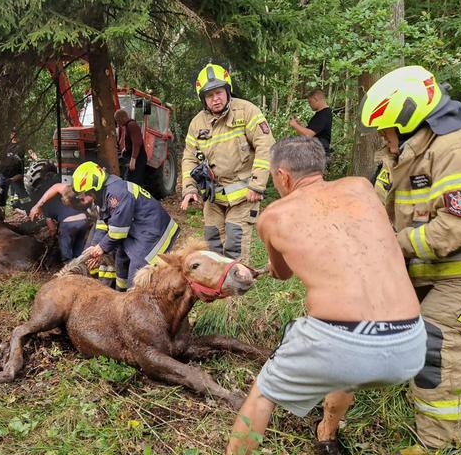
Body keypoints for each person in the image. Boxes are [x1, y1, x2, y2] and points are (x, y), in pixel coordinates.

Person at [216, 137, 426, 455]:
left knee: (263, 393)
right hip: (409, 343)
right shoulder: (361, 187)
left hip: (341, 343)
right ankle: (326, 433)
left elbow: (282, 273)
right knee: (345, 372)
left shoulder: (273, 215)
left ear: (282, 176)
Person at [360, 65, 461, 455]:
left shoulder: (458, 148)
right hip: (431, 274)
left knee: (436, 345)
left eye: (387, 130)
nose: (383, 139)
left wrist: (396, 246)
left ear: (409, 119)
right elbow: (377, 205)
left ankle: (441, 451)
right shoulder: (409, 154)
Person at [181, 63, 275, 263]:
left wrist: (257, 185)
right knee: (213, 245)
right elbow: (189, 157)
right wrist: (189, 188)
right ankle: (219, 292)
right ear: (203, 99)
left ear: (227, 90)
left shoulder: (246, 111)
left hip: (243, 195)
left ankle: (237, 292)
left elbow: (265, 146)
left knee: (234, 245)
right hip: (213, 197)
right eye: (209, 95)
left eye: (219, 93)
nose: (215, 99)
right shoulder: (197, 123)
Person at [73, 161, 179, 290]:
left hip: (152, 232)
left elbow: (118, 230)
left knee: (137, 274)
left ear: (95, 186)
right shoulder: (104, 193)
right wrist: (95, 245)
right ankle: (121, 297)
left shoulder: (117, 193)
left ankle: (136, 302)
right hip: (136, 230)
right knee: (121, 262)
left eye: (87, 193)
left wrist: (101, 248)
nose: (86, 197)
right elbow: (102, 223)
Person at [26, 160, 89, 263]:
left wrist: (53, 236)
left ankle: (68, 269)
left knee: (67, 255)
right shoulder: (65, 194)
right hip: (83, 221)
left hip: (68, 225)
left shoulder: (45, 208)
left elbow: (52, 229)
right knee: (79, 251)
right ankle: (80, 265)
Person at [288, 88, 333, 157]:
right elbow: (305, 135)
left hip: (318, 154)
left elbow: (308, 135)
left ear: (316, 99)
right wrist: (299, 126)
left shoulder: (324, 114)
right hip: (314, 152)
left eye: (310, 102)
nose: (309, 104)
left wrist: (295, 125)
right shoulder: (320, 114)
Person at [114, 109, 148, 188]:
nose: (118, 124)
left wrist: (133, 159)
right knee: (129, 180)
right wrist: (125, 149)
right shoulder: (127, 126)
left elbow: (137, 143)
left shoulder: (132, 125)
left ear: (123, 118)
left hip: (138, 158)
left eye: (118, 121)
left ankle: (135, 199)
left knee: (132, 182)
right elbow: (131, 141)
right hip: (134, 157)